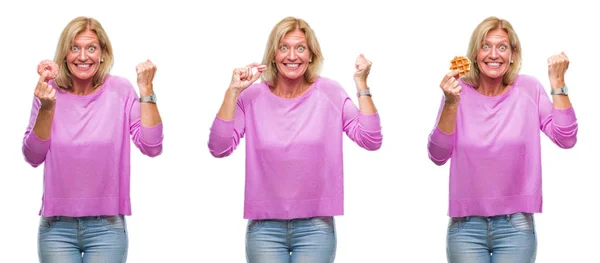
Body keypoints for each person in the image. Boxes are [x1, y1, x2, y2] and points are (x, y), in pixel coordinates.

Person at [208, 16, 382, 263]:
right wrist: (233, 91)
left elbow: (370, 139)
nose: (292, 55)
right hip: (264, 228)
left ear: (311, 55)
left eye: (300, 47)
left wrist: (362, 84)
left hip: (316, 228)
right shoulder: (252, 97)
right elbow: (219, 147)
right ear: (273, 55)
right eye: (284, 47)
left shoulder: (330, 93)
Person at [427, 16, 578, 262]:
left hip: (516, 227)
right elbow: (437, 155)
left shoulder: (529, 89)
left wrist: (558, 83)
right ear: (474, 54)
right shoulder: (456, 92)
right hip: (465, 228)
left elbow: (566, 138)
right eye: (485, 46)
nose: (493, 54)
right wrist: (451, 104)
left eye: (502, 46)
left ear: (512, 53)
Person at [22, 16, 163, 263]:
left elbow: (151, 146)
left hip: (106, 228)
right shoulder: (48, 92)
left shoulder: (120, 90)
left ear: (102, 53)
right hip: (56, 228)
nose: (83, 56)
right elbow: (32, 156)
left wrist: (146, 90)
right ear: (64, 53)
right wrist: (46, 109)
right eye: (74, 48)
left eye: (91, 48)